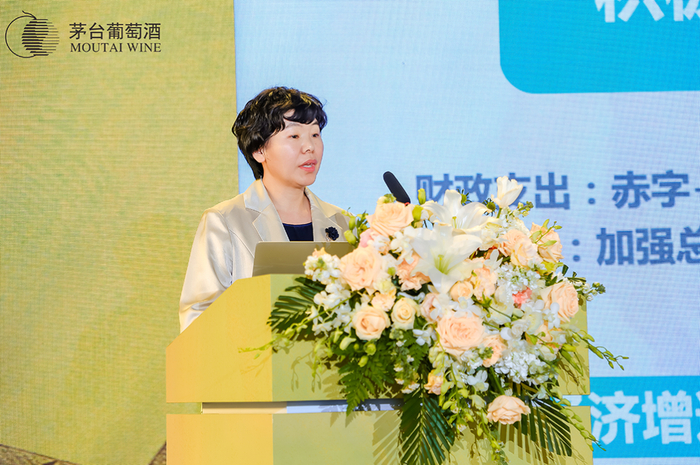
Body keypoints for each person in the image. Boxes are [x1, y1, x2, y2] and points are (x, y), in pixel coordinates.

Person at [179, 87, 348, 332]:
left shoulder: (343, 222)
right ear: (259, 150)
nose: (309, 147)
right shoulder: (224, 222)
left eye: (315, 134)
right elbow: (198, 319)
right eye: (294, 136)